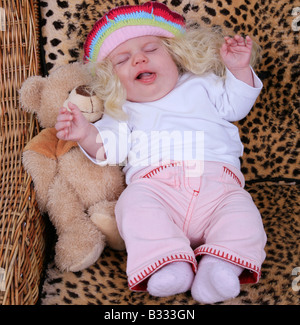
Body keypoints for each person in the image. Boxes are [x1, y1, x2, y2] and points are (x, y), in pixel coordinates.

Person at [55, 1, 267, 304]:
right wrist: (85, 133)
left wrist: (238, 69)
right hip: (156, 190)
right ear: (112, 80)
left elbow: (237, 104)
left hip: (220, 188)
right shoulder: (121, 109)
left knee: (244, 215)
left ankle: (220, 267)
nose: (140, 58)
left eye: (152, 49)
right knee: (132, 206)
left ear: (176, 55)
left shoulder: (201, 84)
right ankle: (170, 262)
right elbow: (109, 149)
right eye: (123, 59)